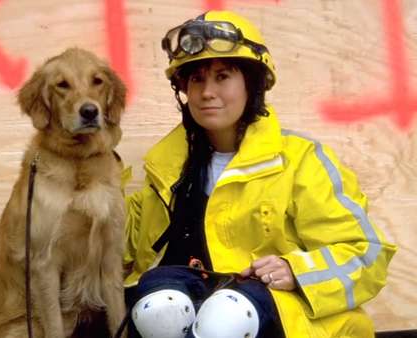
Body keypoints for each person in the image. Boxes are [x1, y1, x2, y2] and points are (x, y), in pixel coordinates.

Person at [122, 10, 397, 338]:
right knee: (159, 308)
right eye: (197, 79)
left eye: (222, 76)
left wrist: (296, 271)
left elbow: (364, 252)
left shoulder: (300, 160)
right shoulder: (164, 171)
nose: (207, 91)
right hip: (187, 302)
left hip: (269, 314)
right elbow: (118, 249)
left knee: (225, 317)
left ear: (251, 84)